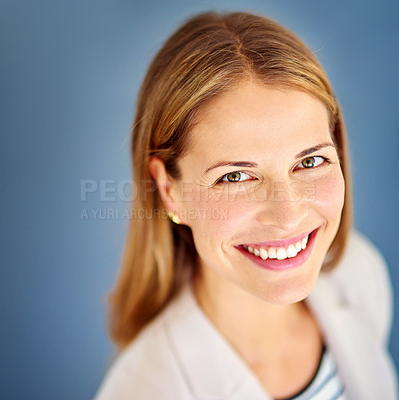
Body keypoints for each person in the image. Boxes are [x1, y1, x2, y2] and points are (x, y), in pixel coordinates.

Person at [95, 11, 398, 400]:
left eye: (309, 162)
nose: (288, 217)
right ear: (170, 190)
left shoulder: (360, 274)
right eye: (235, 177)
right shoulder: (144, 390)